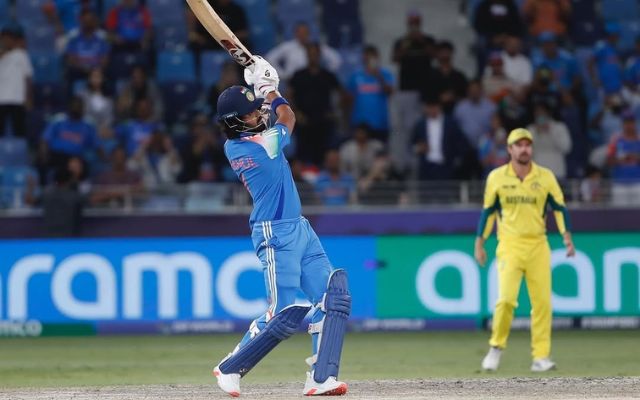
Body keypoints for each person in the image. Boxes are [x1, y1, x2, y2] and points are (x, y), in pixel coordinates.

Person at [212, 56, 350, 396]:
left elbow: (270, 118)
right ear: (235, 123)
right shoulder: (258, 147)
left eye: (256, 110)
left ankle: (321, 378)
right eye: (250, 114)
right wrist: (269, 89)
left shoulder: (248, 140)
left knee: (332, 298)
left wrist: (262, 92)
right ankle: (230, 367)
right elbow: (288, 116)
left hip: (300, 228)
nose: (258, 115)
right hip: (275, 234)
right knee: (282, 312)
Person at [474, 128, 576, 373]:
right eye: (518, 145)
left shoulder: (545, 177)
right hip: (509, 245)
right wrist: (480, 243)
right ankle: (496, 347)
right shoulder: (497, 177)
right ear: (509, 149)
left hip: (538, 245)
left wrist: (567, 237)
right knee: (506, 300)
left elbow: (559, 208)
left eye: (527, 145)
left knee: (542, 303)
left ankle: (541, 357)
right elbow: (488, 212)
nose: (524, 149)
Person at [289, 43, 344, 166]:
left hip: (323, 122)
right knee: (303, 156)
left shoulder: (327, 75)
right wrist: (296, 113)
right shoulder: (299, 75)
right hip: (304, 122)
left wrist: (335, 112)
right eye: (310, 54)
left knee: (323, 156)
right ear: (307, 55)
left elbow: (343, 94)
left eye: (315, 54)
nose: (313, 57)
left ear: (319, 56)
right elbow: (289, 95)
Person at [266, 22, 342, 81]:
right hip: (293, 82)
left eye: (305, 32)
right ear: (295, 33)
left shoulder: (316, 47)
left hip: (313, 81)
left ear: (309, 33)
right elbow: (270, 58)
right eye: (300, 32)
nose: (302, 35)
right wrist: (283, 75)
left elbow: (336, 58)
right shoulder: (287, 47)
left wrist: (326, 74)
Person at [347, 45, 394, 140]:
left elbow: (390, 92)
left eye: (373, 57)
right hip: (359, 123)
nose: (369, 60)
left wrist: (379, 76)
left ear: (377, 58)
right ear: (363, 58)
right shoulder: (355, 75)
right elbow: (348, 99)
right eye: (367, 57)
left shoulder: (386, 74)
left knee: (380, 149)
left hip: (380, 124)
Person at [0, 23, 33, 138]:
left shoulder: (21, 55)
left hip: (18, 99)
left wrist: (28, 97)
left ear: (13, 40)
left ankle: (21, 149)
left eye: (9, 38)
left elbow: (28, 78)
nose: (6, 41)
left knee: (19, 131)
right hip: (1, 99)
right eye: (4, 38)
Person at [527, 102, 572, 179]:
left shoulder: (559, 127)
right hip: (537, 172)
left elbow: (566, 148)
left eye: (542, 112)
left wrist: (550, 131)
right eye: (537, 113)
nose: (539, 115)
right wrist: (537, 133)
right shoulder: (531, 129)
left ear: (548, 113)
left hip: (556, 171)